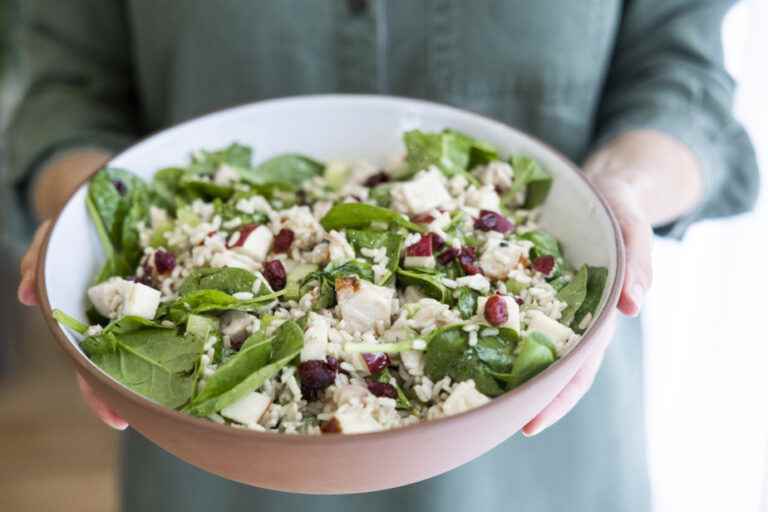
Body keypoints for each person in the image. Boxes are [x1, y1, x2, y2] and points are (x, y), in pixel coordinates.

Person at [9, 1, 759, 511]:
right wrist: (85, 219)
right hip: (213, 466)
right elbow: (67, 97)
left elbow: (681, 83)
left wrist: (616, 194)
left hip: (533, 461)